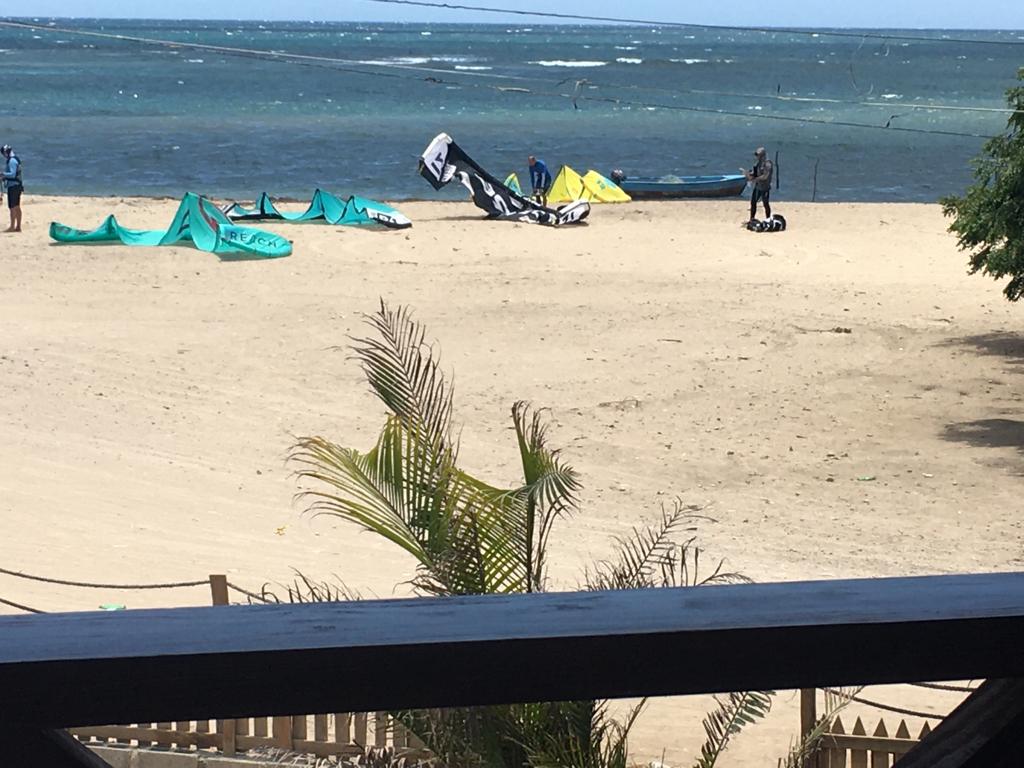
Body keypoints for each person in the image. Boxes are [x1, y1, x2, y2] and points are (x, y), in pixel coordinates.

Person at [744, 147, 773, 222]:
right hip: (758, 186)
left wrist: (755, 179)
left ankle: (768, 219)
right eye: (757, 155)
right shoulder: (757, 164)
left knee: (765, 204)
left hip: (765, 187)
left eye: (758, 155)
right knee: (753, 202)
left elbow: (765, 176)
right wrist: (748, 175)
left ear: (763, 155)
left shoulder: (768, 164)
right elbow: (755, 173)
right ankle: (751, 219)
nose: (757, 157)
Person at [1, 144, 23, 232]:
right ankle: (18, 226)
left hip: (13, 186)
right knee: (17, 206)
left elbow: (12, 174)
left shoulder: (12, 161)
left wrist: (3, 174)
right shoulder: (15, 159)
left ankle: (12, 226)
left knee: (13, 207)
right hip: (17, 185)